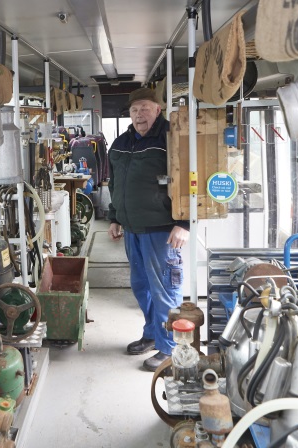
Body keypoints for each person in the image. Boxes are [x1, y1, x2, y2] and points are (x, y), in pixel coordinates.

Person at [106, 87, 190, 372]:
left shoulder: (173, 139)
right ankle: (153, 333)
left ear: (158, 109)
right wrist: (114, 217)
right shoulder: (120, 144)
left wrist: (184, 223)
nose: (139, 114)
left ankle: (170, 349)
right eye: (134, 109)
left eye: (145, 108)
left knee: (166, 288)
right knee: (142, 287)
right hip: (132, 228)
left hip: (162, 229)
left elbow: (191, 179)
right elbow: (114, 184)